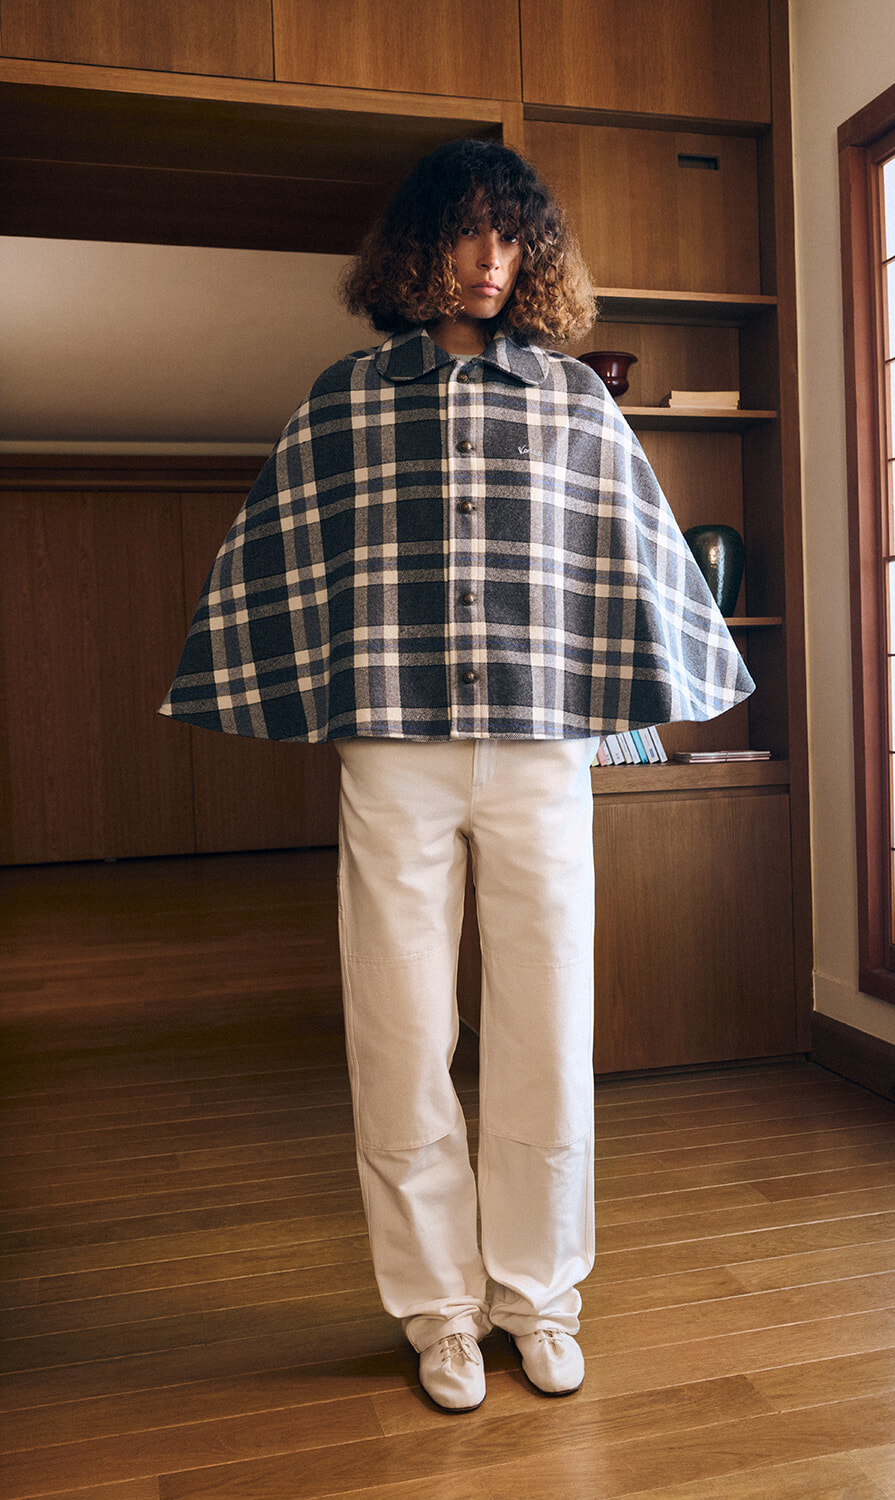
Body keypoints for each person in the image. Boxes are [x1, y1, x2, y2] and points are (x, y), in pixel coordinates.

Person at [161, 138, 753, 1412]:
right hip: (396, 751)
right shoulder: (348, 400)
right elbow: (287, 559)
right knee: (400, 1028)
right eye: (470, 234)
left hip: (541, 746)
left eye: (514, 238)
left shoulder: (576, 402)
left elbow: (632, 567)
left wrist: (643, 714)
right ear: (418, 249)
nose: (493, 261)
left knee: (547, 1025)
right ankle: (436, 1308)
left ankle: (540, 1298)